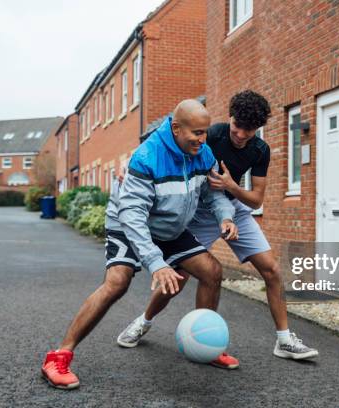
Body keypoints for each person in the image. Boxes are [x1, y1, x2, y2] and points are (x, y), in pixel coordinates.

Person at [41, 99, 238, 389]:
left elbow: (213, 194)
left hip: (169, 227)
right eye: (196, 132)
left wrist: (225, 217)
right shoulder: (147, 157)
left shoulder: (203, 153)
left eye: (205, 132)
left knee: (212, 272)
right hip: (129, 224)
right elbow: (132, 215)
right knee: (117, 282)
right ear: (176, 128)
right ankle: (57, 357)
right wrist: (156, 262)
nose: (202, 139)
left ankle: (205, 346)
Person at [117, 90, 318, 369]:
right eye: (238, 127)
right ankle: (143, 322)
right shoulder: (210, 134)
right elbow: (164, 149)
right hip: (198, 212)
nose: (241, 135)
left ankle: (284, 340)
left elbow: (256, 199)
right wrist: (129, 170)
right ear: (231, 118)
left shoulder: (260, 150)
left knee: (271, 269)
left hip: (234, 210)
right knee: (180, 276)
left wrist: (231, 187)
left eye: (249, 131)